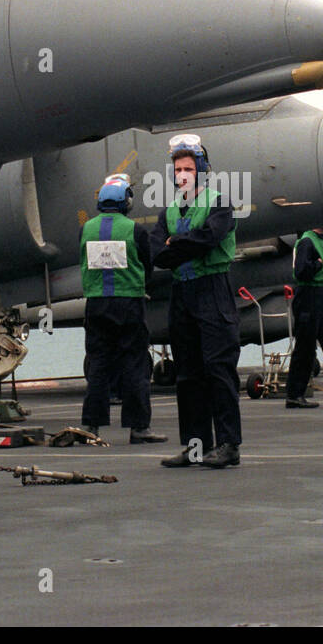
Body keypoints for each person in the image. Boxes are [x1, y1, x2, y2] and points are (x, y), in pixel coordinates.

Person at [151, 135, 242, 468]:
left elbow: (209, 238)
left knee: (218, 368)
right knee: (188, 373)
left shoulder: (219, 204)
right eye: (178, 169)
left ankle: (229, 444)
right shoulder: (168, 211)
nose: (183, 174)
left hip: (212, 289)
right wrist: (179, 245)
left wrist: (176, 243)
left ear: (201, 170)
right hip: (182, 293)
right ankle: (195, 446)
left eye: (188, 168)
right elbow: (157, 253)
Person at [79, 174, 166, 443]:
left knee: (99, 365)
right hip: (129, 303)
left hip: (96, 304)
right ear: (125, 201)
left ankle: (91, 426)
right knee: (135, 365)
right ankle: (139, 427)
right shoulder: (135, 229)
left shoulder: (86, 229)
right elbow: (147, 263)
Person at [284, 226, 323, 409]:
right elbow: (301, 271)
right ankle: (294, 394)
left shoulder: (319, 241)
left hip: (319, 293)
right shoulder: (307, 241)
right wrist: (318, 264)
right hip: (308, 295)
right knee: (305, 347)